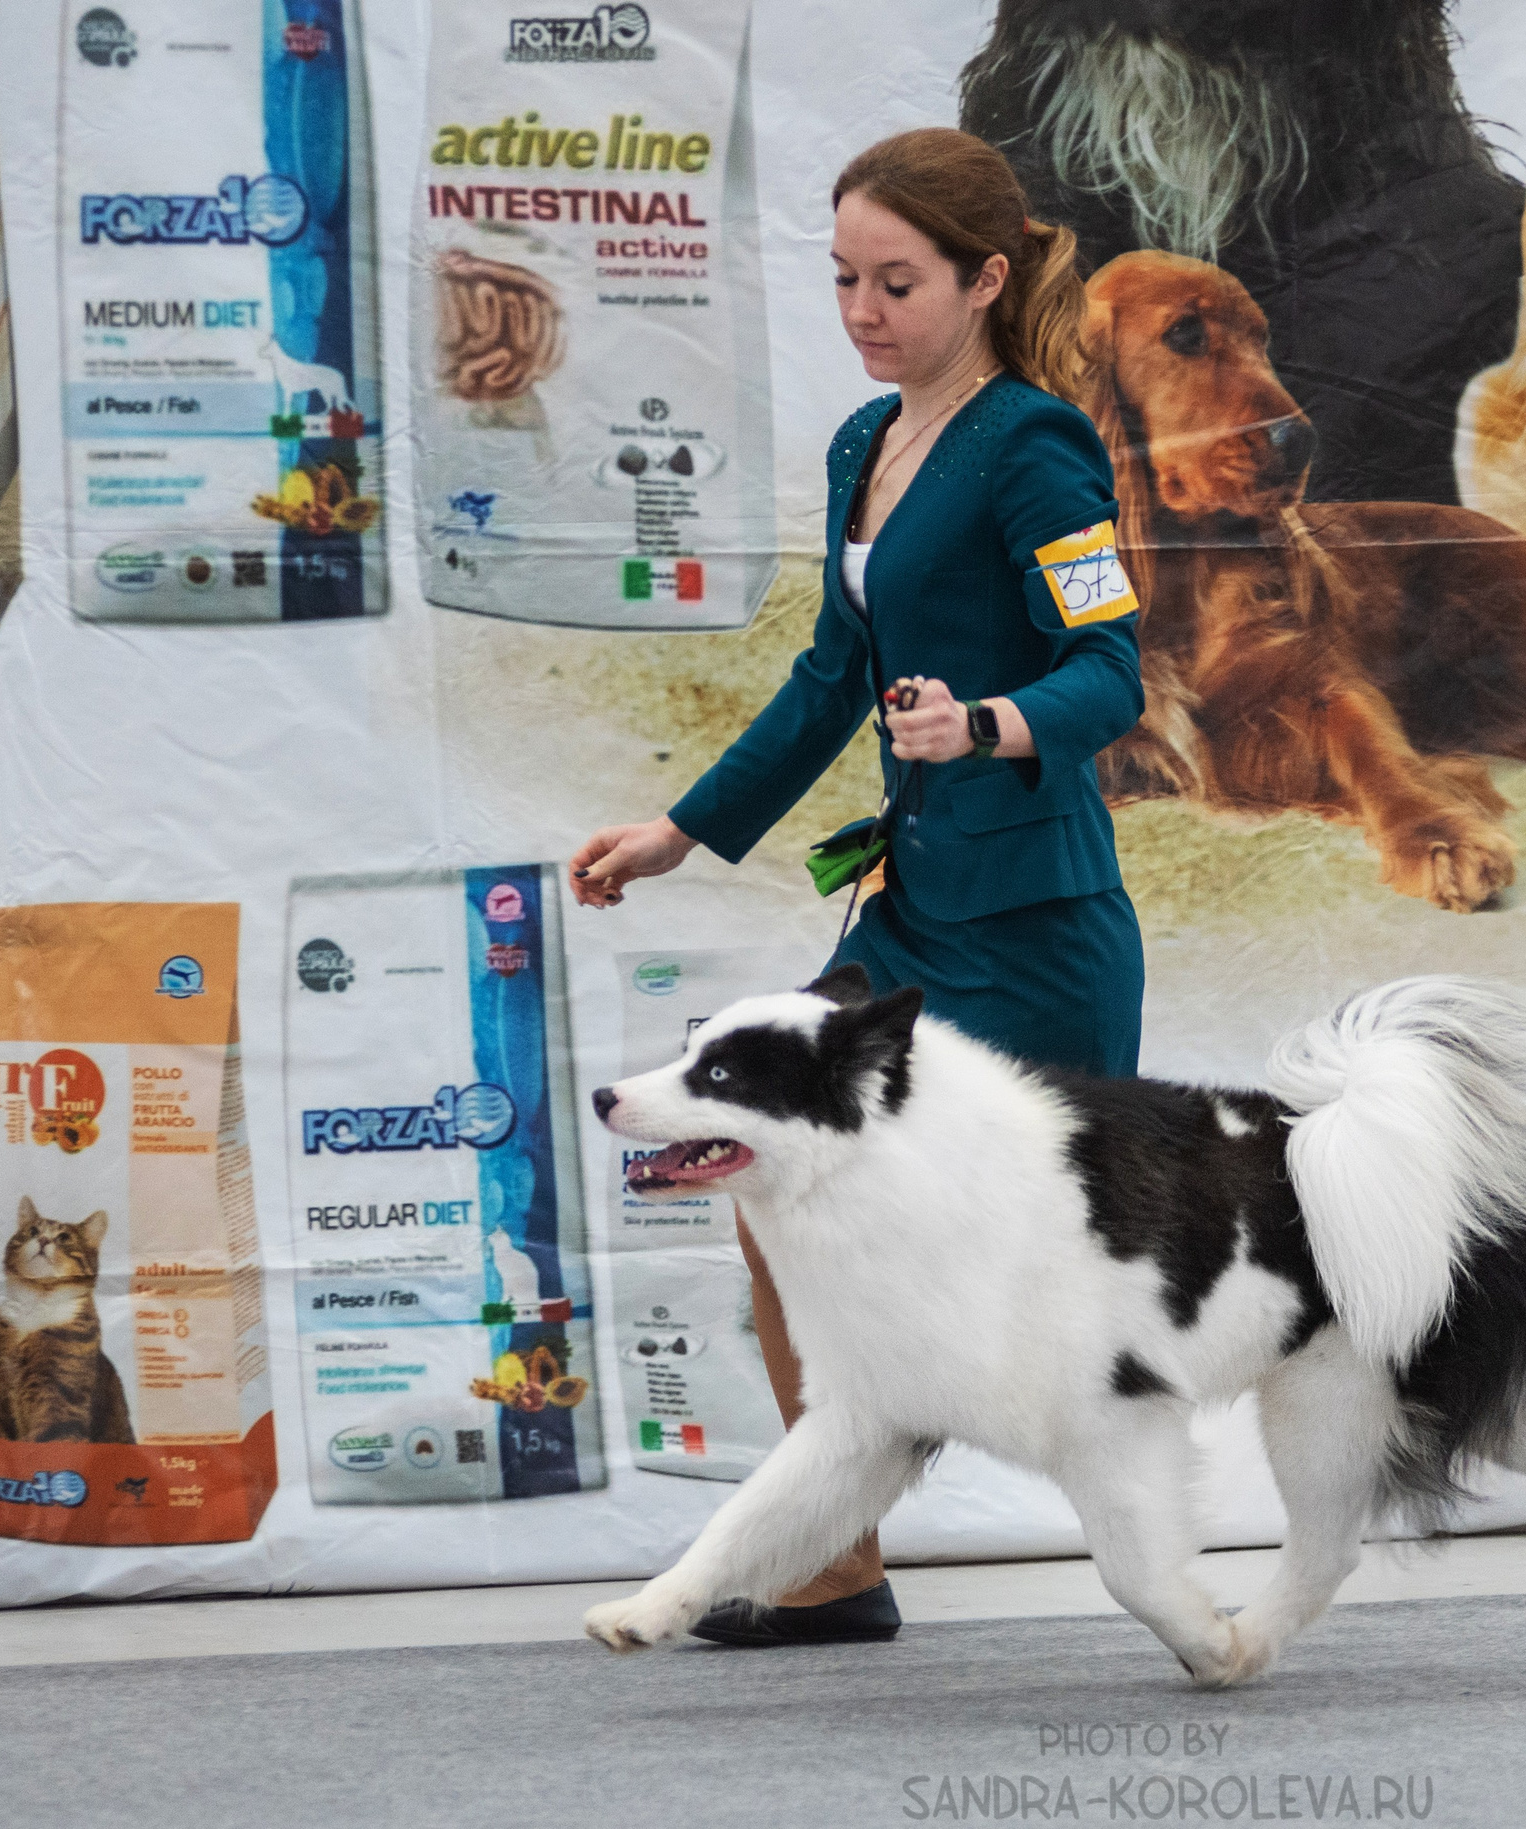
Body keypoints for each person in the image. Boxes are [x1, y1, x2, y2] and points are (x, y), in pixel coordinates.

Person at [569, 128, 1146, 1647]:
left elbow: (1112, 669)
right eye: (843, 279)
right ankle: (832, 1567)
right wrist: (682, 829)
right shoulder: (858, 448)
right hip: (904, 912)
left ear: (984, 279)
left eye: (898, 281)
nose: (865, 309)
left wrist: (991, 724)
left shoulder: (1039, 449)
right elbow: (835, 674)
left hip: (1034, 929)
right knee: (766, 1170)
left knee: (1084, 1276)